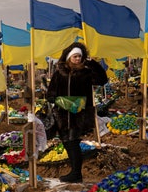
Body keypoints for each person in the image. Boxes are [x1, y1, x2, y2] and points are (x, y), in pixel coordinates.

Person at [45, 42, 108, 183]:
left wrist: (93, 64)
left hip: (78, 115)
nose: (78, 59)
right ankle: (75, 172)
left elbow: (102, 80)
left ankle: (76, 174)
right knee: (67, 142)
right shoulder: (59, 73)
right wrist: (61, 100)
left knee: (73, 142)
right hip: (62, 115)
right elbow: (50, 94)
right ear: (69, 57)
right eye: (75, 56)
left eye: (80, 56)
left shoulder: (86, 73)